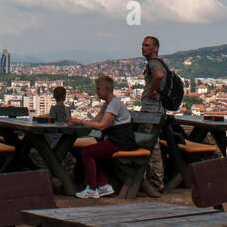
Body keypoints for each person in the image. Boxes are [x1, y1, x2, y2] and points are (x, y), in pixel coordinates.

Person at [69, 75, 136, 199]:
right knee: (92, 153)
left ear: (106, 89)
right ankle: (104, 185)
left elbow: (102, 126)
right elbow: (95, 121)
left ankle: (92, 189)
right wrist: (77, 122)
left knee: (86, 152)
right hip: (120, 140)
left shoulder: (114, 104)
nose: (97, 92)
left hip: (120, 142)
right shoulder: (108, 104)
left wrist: (81, 122)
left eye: (98, 89)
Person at [139, 35, 167, 196]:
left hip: (151, 110)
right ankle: (155, 181)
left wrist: (151, 91)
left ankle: (155, 182)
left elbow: (158, 76)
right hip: (158, 109)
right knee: (152, 144)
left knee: (151, 145)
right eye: (143, 45)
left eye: (147, 45)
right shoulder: (161, 63)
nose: (143, 48)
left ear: (155, 48)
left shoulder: (154, 64)